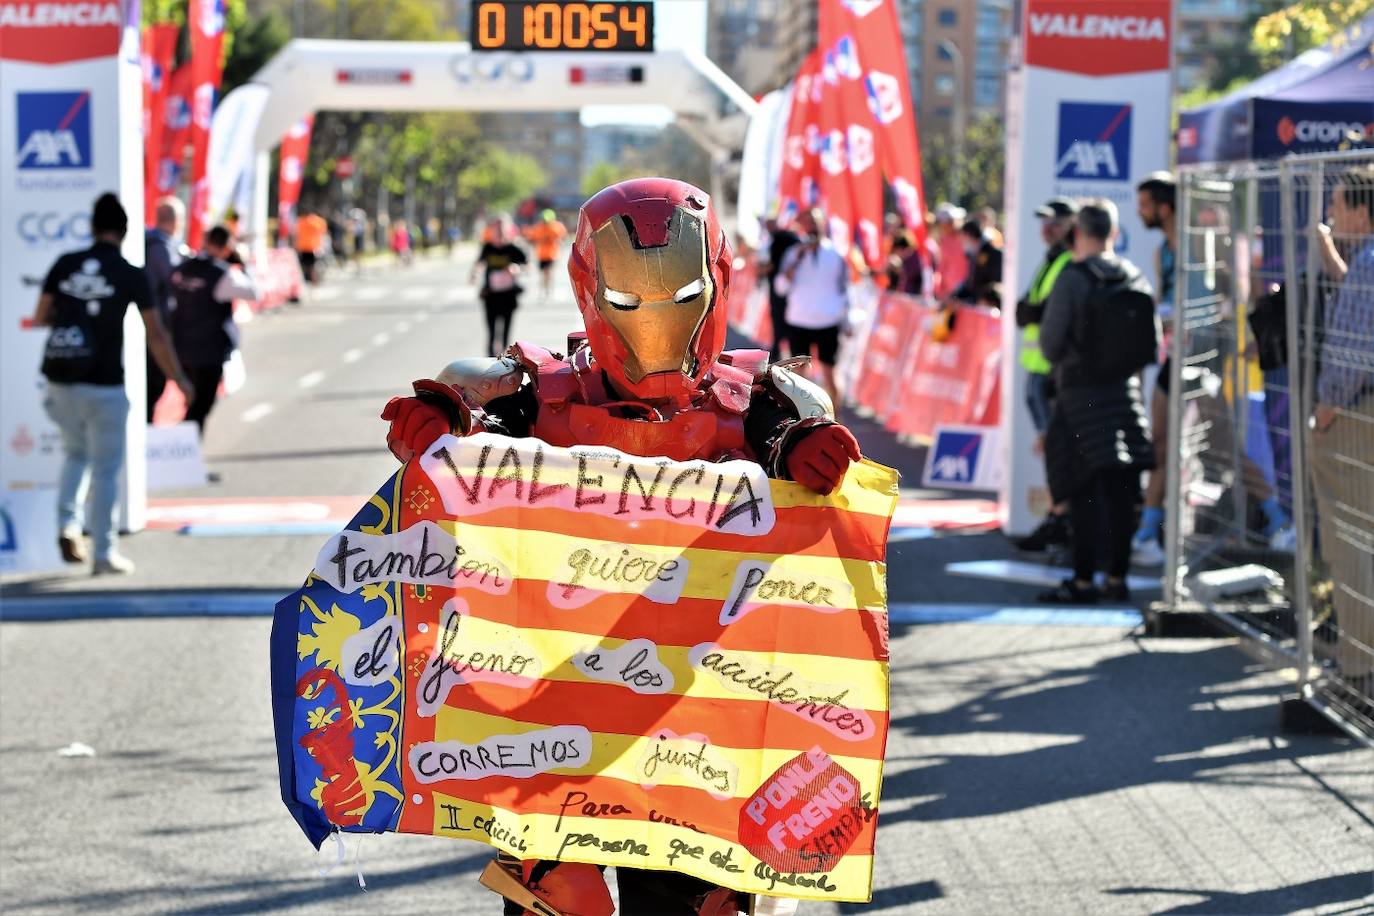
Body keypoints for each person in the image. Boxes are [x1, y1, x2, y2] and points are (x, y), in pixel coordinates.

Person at [379, 176, 862, 916]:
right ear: (590, 287)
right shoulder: (540, 392)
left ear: (718, 280)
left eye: (681, 299)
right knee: (561, 891)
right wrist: (449, 430)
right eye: (632, 302)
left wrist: (799, 448)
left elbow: (802, 476)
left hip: (702, 704)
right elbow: (479, 436)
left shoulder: (760, 402)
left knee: (694, 894)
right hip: (556, 691)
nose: (656, 326)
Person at [33, 193, 193, 574]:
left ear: (92, 228)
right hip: (104, 385)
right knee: (105, 469)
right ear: (124, 233)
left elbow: (40, 317)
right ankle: (103, 553)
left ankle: (68, 524)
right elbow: (156, 333)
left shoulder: (65, 264)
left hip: (61, 382)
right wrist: (178, 378)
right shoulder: (129, 273)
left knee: (75, 455)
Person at [1037, 199, 1156, 603]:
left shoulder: (1072, 278)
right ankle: (1117, 578)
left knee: (1082, 489)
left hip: (1079, 398)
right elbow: (1148, 344)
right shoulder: (1135, 275)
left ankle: (1084, 580)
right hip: (1124, 395)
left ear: (1078, 233)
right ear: (1114, 234)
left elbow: (1050, 344)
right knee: (1123, 491)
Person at [1312, 166, 1374, 691]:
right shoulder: (1365, 265)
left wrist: (1326, 409)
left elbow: (1353, 351)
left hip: (1357, 416)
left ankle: (1358, 670)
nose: (1331, 215)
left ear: (1361, 211)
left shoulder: (1370, 264)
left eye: (1336, 205)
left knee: (1352, 537)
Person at [1013, 197, 1077, 552]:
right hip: (1038, 372)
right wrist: (1031, 311)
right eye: (1044, 221)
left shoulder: (1066, 261)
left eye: (1055, 222)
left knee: (1056, 449)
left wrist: (1032, 311)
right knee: (1050, 448)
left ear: (1071, 224)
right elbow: (1025, 310)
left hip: (1051, 373)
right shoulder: (1051, 259)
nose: (1047, 228)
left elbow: (1043, 311)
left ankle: (1061, 517)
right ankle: (1057, 515)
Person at [168, 225, 258, 436]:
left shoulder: (183, 268)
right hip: (208, 353)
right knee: (200, 406)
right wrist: (242, 265)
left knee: (194, 404)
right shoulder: (222, 273)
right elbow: (254, 292)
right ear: (227, 247)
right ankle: (183, 453)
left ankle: (184, 452)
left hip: (180, 348)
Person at [775, 208, 849, 406]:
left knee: (829, 374)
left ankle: (837, 423)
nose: (812, 227)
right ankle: (804, 420)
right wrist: (797, 260)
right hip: (799, 320)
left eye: (815, 222)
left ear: (823, 224)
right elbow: (780, 287)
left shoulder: (836, 254)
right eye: (807, 223)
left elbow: (845, 290)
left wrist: (846, 320)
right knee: (800, 377)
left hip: (828, 322)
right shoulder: (793, 253)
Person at [144, 196, 185, 422]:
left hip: (144, 322)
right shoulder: (163, 247)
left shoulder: (146, 240)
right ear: (176, 220)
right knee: (153, 383)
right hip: (156, 325)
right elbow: (174, 280)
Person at [472, 216, 528, 356]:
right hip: (491, 294)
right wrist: (474, 273)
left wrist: (517, 268)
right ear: (492, 231)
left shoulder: (513, 248)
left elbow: (527, 266)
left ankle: (502, 357)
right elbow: (479, 263)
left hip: (508, 294)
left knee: (505, 331)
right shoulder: (488, 247)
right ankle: (490, 358)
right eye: (497, 229)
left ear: (508, 230)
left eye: (502, 229)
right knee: (491, 331)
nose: (500, 232)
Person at [762, 217, 801, 356]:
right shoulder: (788, 239)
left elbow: (772, 265)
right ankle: (782, 349)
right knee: (782, 318)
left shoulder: (781, 239)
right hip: (785, 286)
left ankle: (780, 349)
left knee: (781, 317)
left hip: (783, 286)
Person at [949, 218, 1004, 305]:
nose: (961, 243)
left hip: (990, 307)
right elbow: (970, 283)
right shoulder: (973, 254)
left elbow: (995, 283)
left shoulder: (993, 254)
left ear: (968, 235)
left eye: (962, 239)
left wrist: (984, 298)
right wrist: (954, 296)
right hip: (976, 306)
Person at [523, 209, 568, 300]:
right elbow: (532, 239)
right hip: (541, 255)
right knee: (543, 273)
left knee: (549, 272)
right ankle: (543, 289)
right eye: (544, 220)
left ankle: (549, 290)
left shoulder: (556, 227)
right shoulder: (538, 227)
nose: (545, 223)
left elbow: (563, 237)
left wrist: (559, 243)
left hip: (552, 254)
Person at [932, 202, 967, 299]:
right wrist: (939, 289)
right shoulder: (943, 240)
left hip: (963, 293)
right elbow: (942, 265)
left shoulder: (965, 237)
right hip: (948, 294)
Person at [295, 209, 328, 284]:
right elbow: (323, 233)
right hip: (314, 247)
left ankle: (304, 280)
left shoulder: (301, 221)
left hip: (302, 246)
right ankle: (314, 280)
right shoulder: (319, 221)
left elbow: (296, 233)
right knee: (313, 265)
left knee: (303, 265)